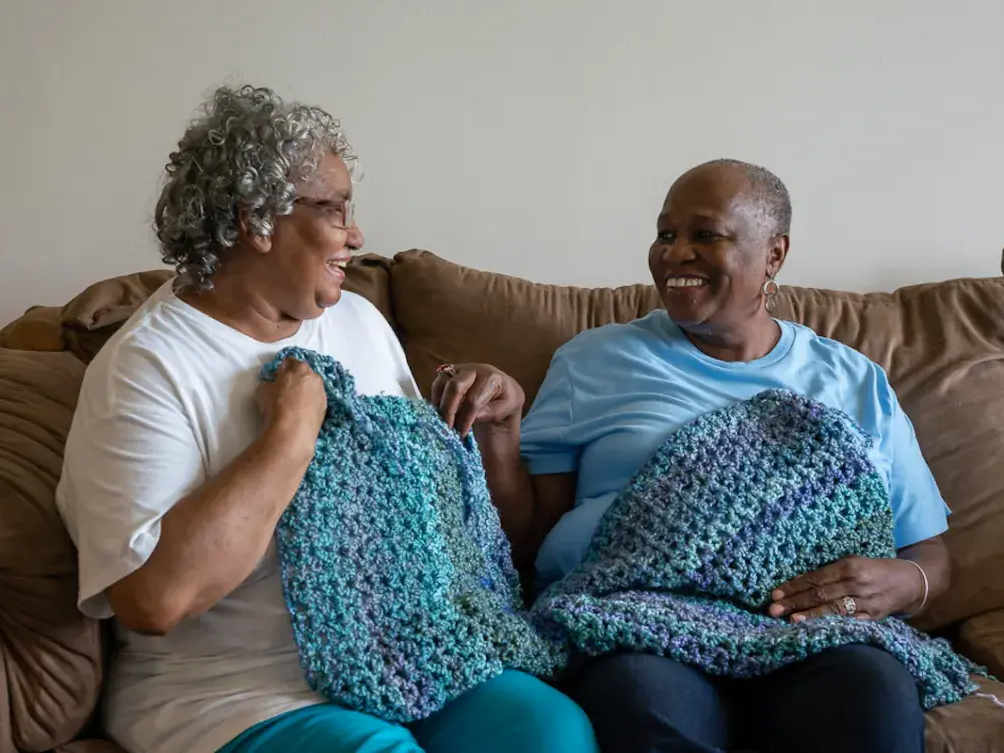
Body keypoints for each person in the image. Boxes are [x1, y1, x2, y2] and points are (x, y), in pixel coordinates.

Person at [56, 85, 596, 753]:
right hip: (233, 693)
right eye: (335, 209)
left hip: (406, 655)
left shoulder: (359, 325)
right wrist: (288, 436)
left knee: (552, 730)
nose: (358, 234)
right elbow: (155, 599)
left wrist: (494, 435)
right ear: (258, 220)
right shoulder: (148, 367)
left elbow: (454, 534)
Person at [433, 159, 951, 753]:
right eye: (665, 234)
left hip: (810, 632)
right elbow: (527, 539)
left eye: (705, 234)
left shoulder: (853, 381)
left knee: (872, 699)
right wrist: (500, 434)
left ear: (773, 255)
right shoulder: (593, 361)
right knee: (645, 705)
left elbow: (930, 552)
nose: (674, 252)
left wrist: (906, 583)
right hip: (639, 623)